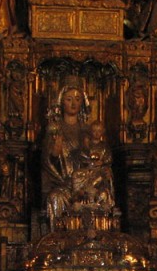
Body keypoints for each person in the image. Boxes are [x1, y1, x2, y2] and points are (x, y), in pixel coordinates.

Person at [40, 85, 115, 226]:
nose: (73, 103)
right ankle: (58, 240)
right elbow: (47, 160)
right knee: (55, 198)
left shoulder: (88, 130)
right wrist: (55, 149)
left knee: (103, 196)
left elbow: (98, 154)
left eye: (77, 99)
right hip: (64, 184)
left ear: (82, 103)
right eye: (69, 99)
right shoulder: (55, 129)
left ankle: (97, 237)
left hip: (86, 183)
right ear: (62, 102)